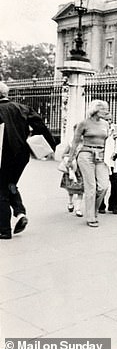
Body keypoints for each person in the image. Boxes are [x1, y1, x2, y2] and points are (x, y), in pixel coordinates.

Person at [0, 82, 56, 239]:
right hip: (21, 154)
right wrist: (49, 145)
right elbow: (41, 127)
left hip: (2, 155)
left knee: (1, 190)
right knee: (10, 184)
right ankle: (19, 213)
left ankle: (4, 229)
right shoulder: (23, 108)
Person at [65, 99, 110, 228]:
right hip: (86, 155)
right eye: (103, 109)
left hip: (101, 156)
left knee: (104, 186)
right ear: (95, 110)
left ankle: (93, 210)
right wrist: (70, 158)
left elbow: (108, 141)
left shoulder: (105, 124)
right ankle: (91, 217)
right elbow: (75, 142)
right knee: (91, 186)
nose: (106, 112)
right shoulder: (83, 123)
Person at [98, 114, 117, 215]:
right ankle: (101, 205)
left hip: (115, 160)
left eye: (110, 120)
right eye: (106, 120)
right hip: (103, 160)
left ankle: (114, 206)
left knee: (116, 182)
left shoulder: (116, 128)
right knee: (102, 183)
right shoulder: (100, 130)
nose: (109, 122)